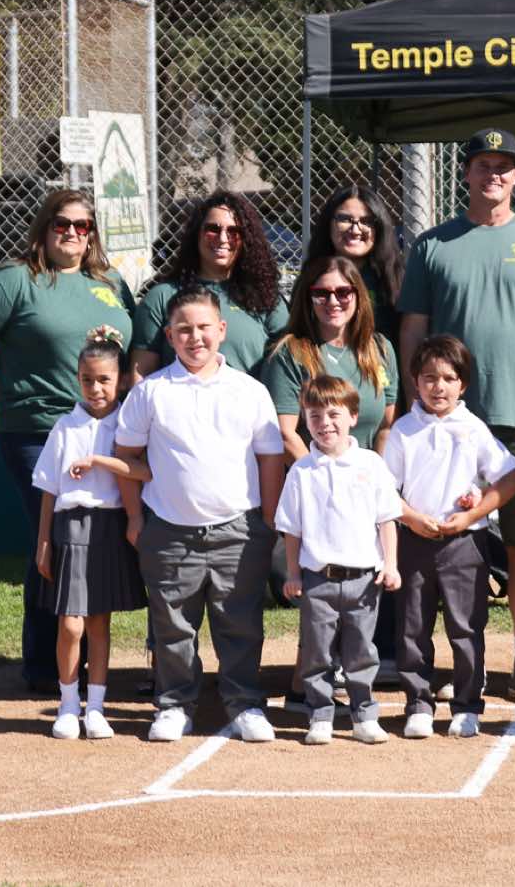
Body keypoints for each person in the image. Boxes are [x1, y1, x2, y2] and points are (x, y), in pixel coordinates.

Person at [397, 128, 515, 706]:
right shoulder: (433, 245)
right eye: (482, 164)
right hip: (448, 422)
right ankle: (457, 662)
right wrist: (415, 402)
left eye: (504, 166)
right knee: (446, 542)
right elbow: (413, 331)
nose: (493, 174)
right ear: (466, 172)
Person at [0, 186, 137, 693]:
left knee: (96, 535)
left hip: (105, 427)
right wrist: (14, 380)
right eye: (62, 223)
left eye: (83, 226)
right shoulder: (14, 280)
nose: (72, 233)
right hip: (38, 428)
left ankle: (84, 661)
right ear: (44, 228)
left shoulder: (110, 283)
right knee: (62, 535)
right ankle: (49, 667)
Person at [113, 286, 285, 744]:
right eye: (184, 329)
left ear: (222, 330)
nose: (195, 337)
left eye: (204, 327)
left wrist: (268, 520)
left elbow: (270, 458)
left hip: (239, 530)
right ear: (170, 336)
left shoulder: (249, 391)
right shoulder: (151, 392)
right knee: (172, 627)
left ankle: (244, 704)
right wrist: (135, 518)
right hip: (169, 532)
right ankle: (174, 705)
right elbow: (126, 455)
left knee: (240, 624)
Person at [382, 334, 515, 739]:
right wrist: (411, 519)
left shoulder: (473, 428)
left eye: (448, 378)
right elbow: (385, 490)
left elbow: (509, 478)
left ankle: (467, 705)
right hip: (414, 542)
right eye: (429, 377)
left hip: (465, 544)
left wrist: (473, 515)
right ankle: (418, 703)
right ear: (415, 381)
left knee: (465, 628)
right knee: (412, 627)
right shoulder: (404, 430)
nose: (438, 386)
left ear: (463, 384)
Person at [31, 333, 147, 741]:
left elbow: (143, 472)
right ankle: (68, 705)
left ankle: (95, 707)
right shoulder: (65, 426)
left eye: (104, 380)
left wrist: (100, 460)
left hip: (110, 526)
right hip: (70, 529)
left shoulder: (128, 426)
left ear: (121, 380)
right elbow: (49, 489)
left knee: (99, 621)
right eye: (87, 380)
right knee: (70, 624)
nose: (95, 388)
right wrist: (44, 542)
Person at [276, 374, 403, 746]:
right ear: (305, 420)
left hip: (364, 579)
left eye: (333, 414)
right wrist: (293, 572)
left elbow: (386, 519)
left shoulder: (371, 464)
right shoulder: (301, 471)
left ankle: (364, 715)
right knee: (317, 652)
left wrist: (391, 564)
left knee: (361, 651)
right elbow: (292, 529)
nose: (324, 423)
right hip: (318, 579)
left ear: (353, 416)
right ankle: (320, 714)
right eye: (314, 416)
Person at [132, 191, 289, 379]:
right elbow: (140, 375)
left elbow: (286, 371)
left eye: (234, 231)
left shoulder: (266, 298)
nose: (223, 238)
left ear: (246, 239)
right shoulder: (162, 296)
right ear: (196, 234)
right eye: (213, 229)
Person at [262, 257, 399, 454]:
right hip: (313, 469)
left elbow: (387, 426)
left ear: (358, 296)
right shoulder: (289, 354)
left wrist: (376, 470)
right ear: (309, 299)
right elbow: (285, 434)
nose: (333, 302)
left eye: (343, 292)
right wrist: (322, 472)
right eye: (321, 294)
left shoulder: (380, 349)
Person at [303, 184, 406, 345]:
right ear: (328, 224)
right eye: (344, 219)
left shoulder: (396, 279)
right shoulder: (312, 276)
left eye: (366, 221)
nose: (355, 230)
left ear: (379, 227)